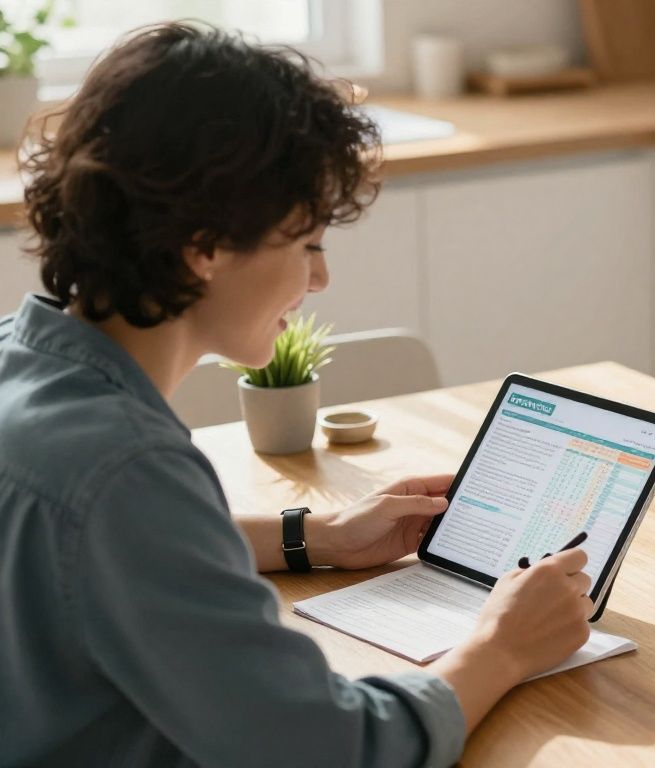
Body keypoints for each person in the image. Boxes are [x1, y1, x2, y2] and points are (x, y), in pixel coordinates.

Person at [0, 23, 593, 766]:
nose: (320, 281)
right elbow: (327, 749)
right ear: (205, 245)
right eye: (307, 243)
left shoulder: (22, 364)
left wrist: (315, 538)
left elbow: (93, 552)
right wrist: (502, 648)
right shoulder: (126, 469)